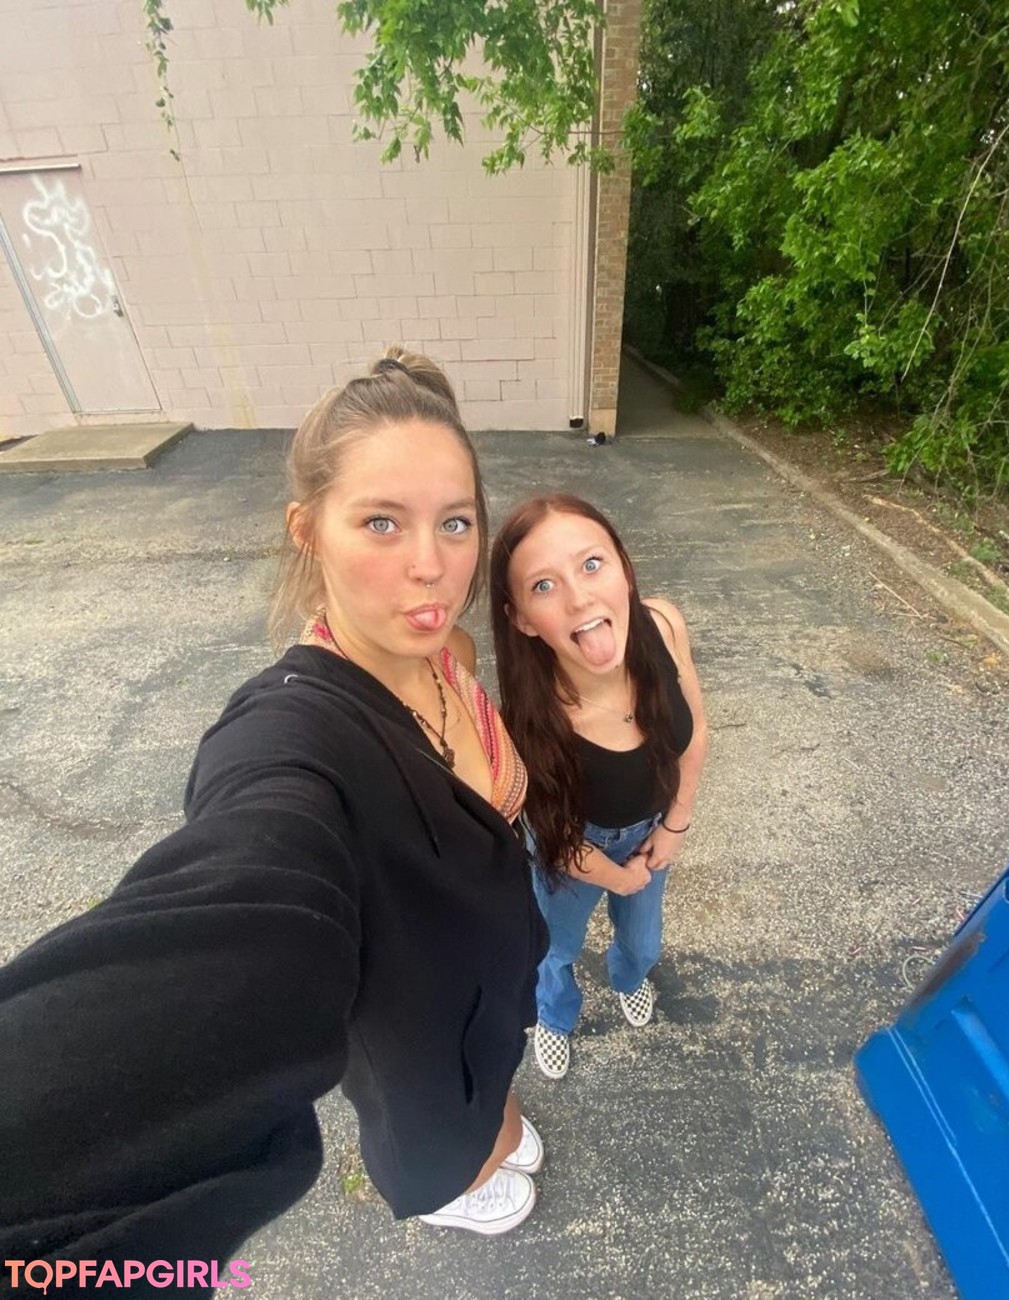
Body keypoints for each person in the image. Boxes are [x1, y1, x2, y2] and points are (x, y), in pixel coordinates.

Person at [0, 347, 550, 1287]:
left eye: (455, 522)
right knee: (446, 1131)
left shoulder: (446, 650)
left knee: (494, 1085)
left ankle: (493, 1124)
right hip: (416, 1030)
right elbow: (242, 900)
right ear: (308, 531)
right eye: (381, 522)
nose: (431, 566)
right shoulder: (291, 736)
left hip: (494, 981)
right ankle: (456, 1186)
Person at [490, 493, 708, 1079]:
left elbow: (695, 731)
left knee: (643, 944)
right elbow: (556, 841)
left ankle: (629, 978)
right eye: (543, 585)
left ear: (624, 568)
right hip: (574, 848)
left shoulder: (663, 624)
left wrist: (676, 821)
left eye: (592, 564)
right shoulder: (528, 725)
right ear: (521, 619)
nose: (580, 597)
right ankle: (554, 1015)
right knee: (554, 949)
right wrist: (622, 877)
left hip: (653, 830)